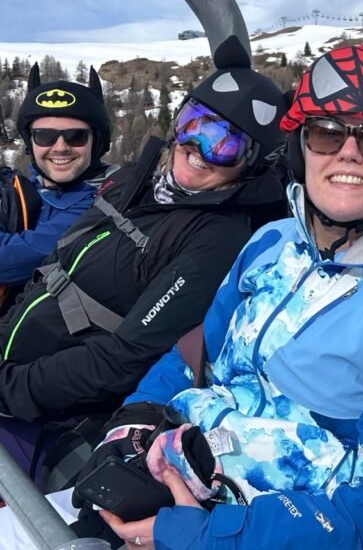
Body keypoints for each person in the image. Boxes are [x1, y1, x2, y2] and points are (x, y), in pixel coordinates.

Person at [67, 44, 363, 550]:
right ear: (301, 147)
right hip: (181, 474)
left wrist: (205, 537)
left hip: (268, 528)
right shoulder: (272, 244)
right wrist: (134, 419)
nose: (348, 153)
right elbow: (195, 356)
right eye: (326, 133)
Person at [0, 35, 289, 486]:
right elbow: (50, 274)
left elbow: (124, 357)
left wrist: (11, 388)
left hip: (51, 413)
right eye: (194, 124)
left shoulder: (215, 238)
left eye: (224, 145)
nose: (198, 148)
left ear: (252, 163)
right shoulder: (136, 181)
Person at [0, 64, 112, 297]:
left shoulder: (105, 200)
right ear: (30, 142)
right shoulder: (24, 188)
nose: (60, 147)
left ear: (97, 142)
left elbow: (11, 260)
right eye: (45, 136)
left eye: (76, 136)